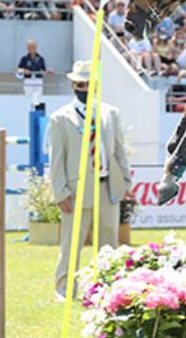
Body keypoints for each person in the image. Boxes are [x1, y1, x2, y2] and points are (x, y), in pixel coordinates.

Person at [50, 60, 131, 301]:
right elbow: (56, 159)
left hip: (108, 186)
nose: (84, 88)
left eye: (88, 84)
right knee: (71, 243)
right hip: (76, 190)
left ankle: (108, 289)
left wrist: (125, 181)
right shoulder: (60, 118)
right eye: (79, 84)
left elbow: (118, 150)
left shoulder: (110, 113)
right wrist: (60, 191)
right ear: (73, 85)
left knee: (109, 242)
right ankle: (64, 290)